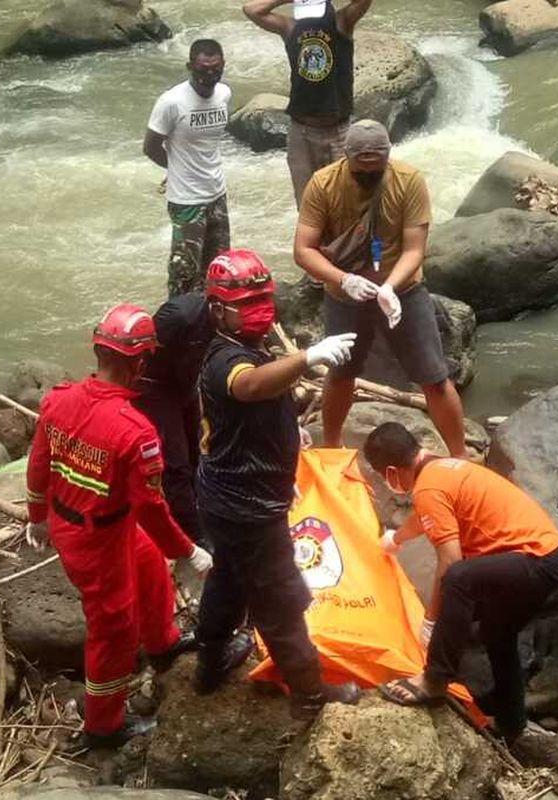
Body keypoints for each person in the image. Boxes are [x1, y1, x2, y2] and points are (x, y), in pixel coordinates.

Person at [25, 304, 216, 748]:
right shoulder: (136, 432)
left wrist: (38, 515)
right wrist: (187, 550)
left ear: (98, 350)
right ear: (140, 362)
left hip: (90, 520)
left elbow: (39, 462)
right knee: (113, 629)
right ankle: (104, 725)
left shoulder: (58, 401)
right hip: (98, 537)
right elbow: (150, 506)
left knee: (149, 565)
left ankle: (163, 641)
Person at [193, 249, 362, 719]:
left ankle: (209, 665)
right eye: (245, 303)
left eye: (263, 298)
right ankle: (309, 695)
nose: (259, 309)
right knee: (281, 598)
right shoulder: (224, 359)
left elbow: (260, 403)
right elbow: (248, 387)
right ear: (217, 309)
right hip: (245, 506)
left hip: (230, 494)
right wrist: (308, 357)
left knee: (228, 579)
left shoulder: (252, 347)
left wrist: (288, 435)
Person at [362, 423, 558, 741]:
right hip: (548, 555)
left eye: (381, 475)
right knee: (496, 635)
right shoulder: (444, 468)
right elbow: (426, 516)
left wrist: (431, 619)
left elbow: (450, 560)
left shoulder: (428, 487)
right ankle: (512, 723)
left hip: (534, 560)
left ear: (391, 471)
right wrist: (397, 538)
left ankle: (435, 679)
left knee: (459, 578)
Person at [294, 119, 467, 457]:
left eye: (377, 168)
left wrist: (389, 286)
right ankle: (332, 447)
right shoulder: (324, 184)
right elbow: (303, 249)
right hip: (345, 293)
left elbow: (415, 249)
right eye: (362, 170)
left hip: (402, 291)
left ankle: (460, 455)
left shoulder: (408, 181)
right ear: (347, 158)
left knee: (434, 376)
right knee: (340, 373)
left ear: (388, 156)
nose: (369, 176)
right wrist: (344, 279)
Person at [242, 0, 374, 206]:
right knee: (307, 206)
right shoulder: (290, 27)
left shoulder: (342, 22)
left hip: (338, 131)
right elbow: (251, 10)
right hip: (301, 132)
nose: (312, 21)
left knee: (346, 205)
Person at [144, 39, 232, 296]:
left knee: (219, 269)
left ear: (223, 66)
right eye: (203, 69)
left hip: (217, 193)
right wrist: (175, 170)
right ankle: (178, 326)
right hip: (186, 201)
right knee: (184, 272)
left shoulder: (224, 94)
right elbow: (150, 146)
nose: (210, 75)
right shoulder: (172, 102)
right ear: (189, 67)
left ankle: (212, 324)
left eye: (216, 69)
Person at [135, 290, 214, 546]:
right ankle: (192, 535)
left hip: (185, 384)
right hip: (155, 387)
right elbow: (141, 352)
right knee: (175, 463)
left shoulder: (234, 320)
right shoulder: (179, 316)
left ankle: (196, 507)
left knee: (195, 451)